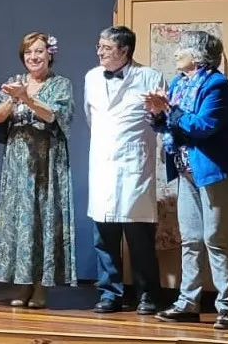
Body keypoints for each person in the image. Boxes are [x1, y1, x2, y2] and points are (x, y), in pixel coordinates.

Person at [145, 31, 228, 330]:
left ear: (198, 55)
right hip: (187, 171)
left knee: (215, 239)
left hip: (218, 172)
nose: (177, 52)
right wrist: (157, 113)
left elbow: (203, 126)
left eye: (183, 48)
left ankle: (227, 307)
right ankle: (188, 303)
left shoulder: (218, 85)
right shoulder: (179, 83)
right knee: (191, 238)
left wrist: (169, 110)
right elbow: (172, 124)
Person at [0, 32, 77, 308]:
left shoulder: (61, 84)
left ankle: (41, 286)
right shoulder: (14, 82)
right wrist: (14, 98)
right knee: (20, 221)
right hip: (18, 164)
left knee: (43, 219)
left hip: (46, 162)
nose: (34, 57)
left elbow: (53, 115)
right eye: (29, 53)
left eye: (39, 51)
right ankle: (22, 284)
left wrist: (27, 98)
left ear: (50, 54)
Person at [84, 25, 163, 314]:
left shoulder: (150, 76)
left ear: (124, 51)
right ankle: (110, 293)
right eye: (99, 46)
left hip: (134, 166)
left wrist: (157, 111)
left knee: (139, 237)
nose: (99, 51)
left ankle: (147, 294)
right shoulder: (92, 77)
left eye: (106, 47)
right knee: (103, 236)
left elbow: (159, 120)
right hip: (103, 164)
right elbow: (90, 116)